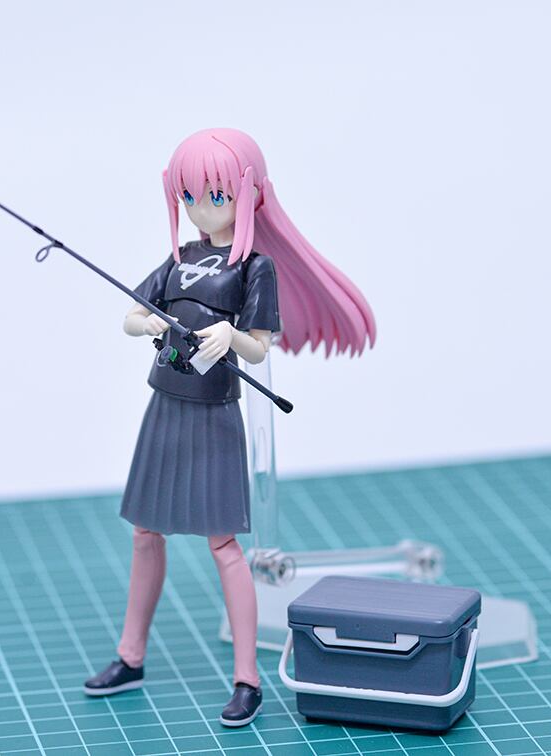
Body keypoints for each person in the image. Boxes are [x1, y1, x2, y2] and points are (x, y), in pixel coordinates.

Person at [83, 128, 376, 727]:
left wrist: (230, 337)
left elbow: (261, 347)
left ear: (248, 194)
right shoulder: (180, 259)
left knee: (223, 544)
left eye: (216, 195)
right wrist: (149, 326)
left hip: (215, 412)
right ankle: (130, 656)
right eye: (189, 195)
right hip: (165, 404)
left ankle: (248, 679)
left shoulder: (255, 267)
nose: (201, 207)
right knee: (145, 533)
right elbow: (131, 315)